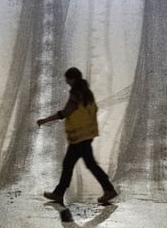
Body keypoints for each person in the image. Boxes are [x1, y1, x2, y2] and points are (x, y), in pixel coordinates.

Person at [37, 67, 118, 205]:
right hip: (86, 135)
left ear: (72, 79)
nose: (66, 81)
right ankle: (59, 193)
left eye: (67, 78)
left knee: (86, 164)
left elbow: (65, 112)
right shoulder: (87, 92)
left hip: (79, 138)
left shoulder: (76, 93)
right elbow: (93, 109)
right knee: (72, 164)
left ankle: (109, 189)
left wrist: (45, 120)